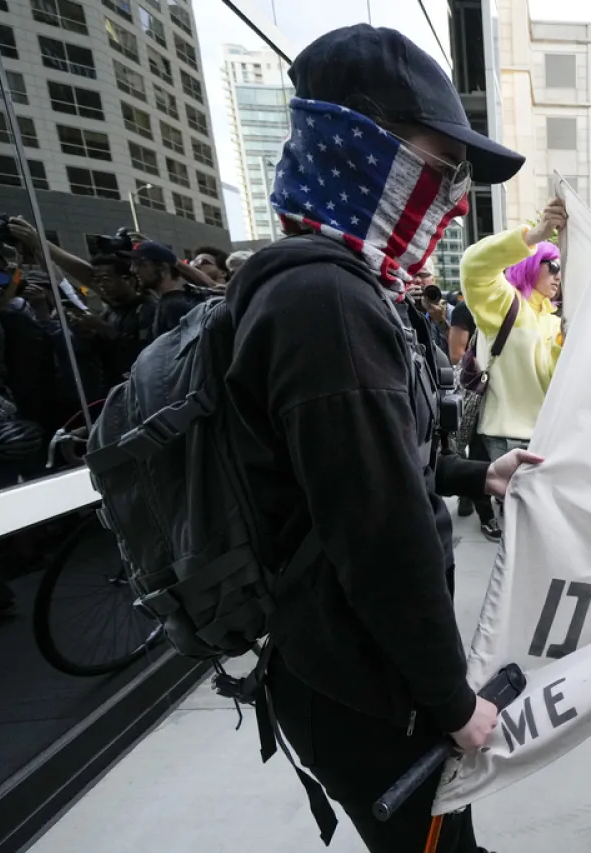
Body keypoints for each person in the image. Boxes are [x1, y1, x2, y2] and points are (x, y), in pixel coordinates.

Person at [220, 24, 531, 853]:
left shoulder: (341, 287)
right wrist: (454, 703)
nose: (456, 198)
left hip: (359, 665)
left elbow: (376, 462)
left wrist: (474, 473)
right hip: (367, 687)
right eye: (441, 169)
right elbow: (380, 536)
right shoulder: (328, 303)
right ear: (359, 144)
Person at [460, 199, 565, 462]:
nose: (558, 275)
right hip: (507, 439)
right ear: (531, 264)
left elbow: (553, 382)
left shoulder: (555, 320)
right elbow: (473, 266)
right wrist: (534, 235)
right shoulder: (506, 302)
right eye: (552, 265)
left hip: (549, 437)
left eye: (561, 269)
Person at [447, 296, 501, 542]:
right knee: (480, 453)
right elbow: (456, 354)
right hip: (483, 393)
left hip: (516, 397)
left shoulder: (524, 304)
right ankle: (485, 514)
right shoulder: (466, 308)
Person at [131, 242, 205, 337]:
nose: (133, 269)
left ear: (163, 268)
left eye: (141, 264)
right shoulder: (171, 302)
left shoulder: (173, 307)